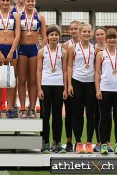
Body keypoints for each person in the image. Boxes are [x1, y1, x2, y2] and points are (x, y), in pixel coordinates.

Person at [95, 28, 117, 154]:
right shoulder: (101, 55)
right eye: (109, 37)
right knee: (104, 118)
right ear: (106, 39)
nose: (112, 40)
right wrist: (97, 89)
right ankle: (103, 144)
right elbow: (97, 73)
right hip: (104, 90)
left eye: (114, 37)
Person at [68, 23, 98, 153]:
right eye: (84, 31)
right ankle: (78, 142)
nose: (86, 34)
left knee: (90, 114)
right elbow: (69, 67)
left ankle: (89, 142)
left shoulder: (95, 49)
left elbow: (97, 69)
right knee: (77, 114)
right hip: (77, 82)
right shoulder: (73, 48)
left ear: (91, 33)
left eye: (88, 31)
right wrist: (69, 84)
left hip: (90, 84)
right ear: (80, 33)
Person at [37, 24, 67, 153]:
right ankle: (45, 142)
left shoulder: (63, 51)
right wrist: (39, 88)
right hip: (45, 85)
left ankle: (57, 142)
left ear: (59, 36)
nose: (54, 37)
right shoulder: (42, 51)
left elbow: (65, 71)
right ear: (47, 36)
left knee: (57, 116)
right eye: (51, 34)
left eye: (56, 35)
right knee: (45, 115)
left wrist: (65, 88)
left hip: (59, 85)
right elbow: (38, 71)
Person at [18, 0, 47, 118]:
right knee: (22, 80)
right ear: (24, 2)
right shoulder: (18, 16)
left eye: (32, 1)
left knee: (33, 80)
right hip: (22, 49)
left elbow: (45, 36)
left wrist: (41, 49)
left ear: (35, 2)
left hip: (34, 49)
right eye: (28, 1)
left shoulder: (40, 17)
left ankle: (33, 108)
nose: (30, 3)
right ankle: (23, 108)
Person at [92, 27, 113, 152]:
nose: (100, 36)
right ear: (95, 37)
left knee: (107, 115)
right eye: (97, 34)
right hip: (96, 85)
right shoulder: (93, 49)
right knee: (97, 115)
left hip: (109, 86)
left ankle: (108, 141)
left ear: (105, 36)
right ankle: (100, 141)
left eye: (102, 34)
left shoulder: (111, 48)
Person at [61, 20, 80, 152]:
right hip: (69, 83)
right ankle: (69, 140)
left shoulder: (87, 45)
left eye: (76, 28)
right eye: (71, 29)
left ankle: (79, 140)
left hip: (81, 83)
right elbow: (66, 67)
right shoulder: (66, 45)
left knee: (78, 114)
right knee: (68, 114)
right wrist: (67, 85)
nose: (73, 31)